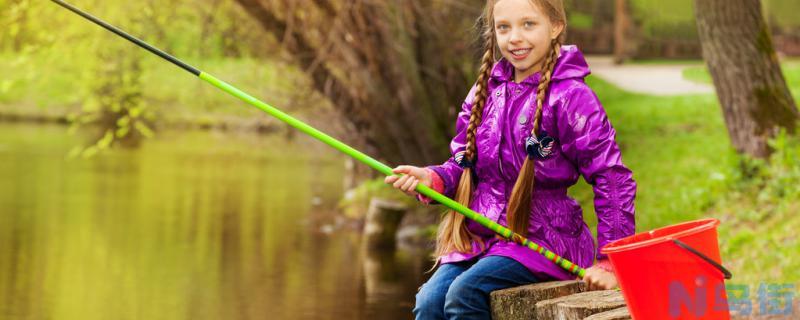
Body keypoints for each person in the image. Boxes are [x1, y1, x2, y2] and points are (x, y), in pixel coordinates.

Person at [383, 0, 637, 319]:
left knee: (465, 295)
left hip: (543, 238)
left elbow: (612, 177)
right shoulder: (484, 93)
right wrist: (431, 179)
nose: (515, 37)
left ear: (556, 26)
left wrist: (611, 261)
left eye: (528, 24)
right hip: (483, 236)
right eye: (504, 27)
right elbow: (463, 167)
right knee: (429, 302)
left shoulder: (572, 97)